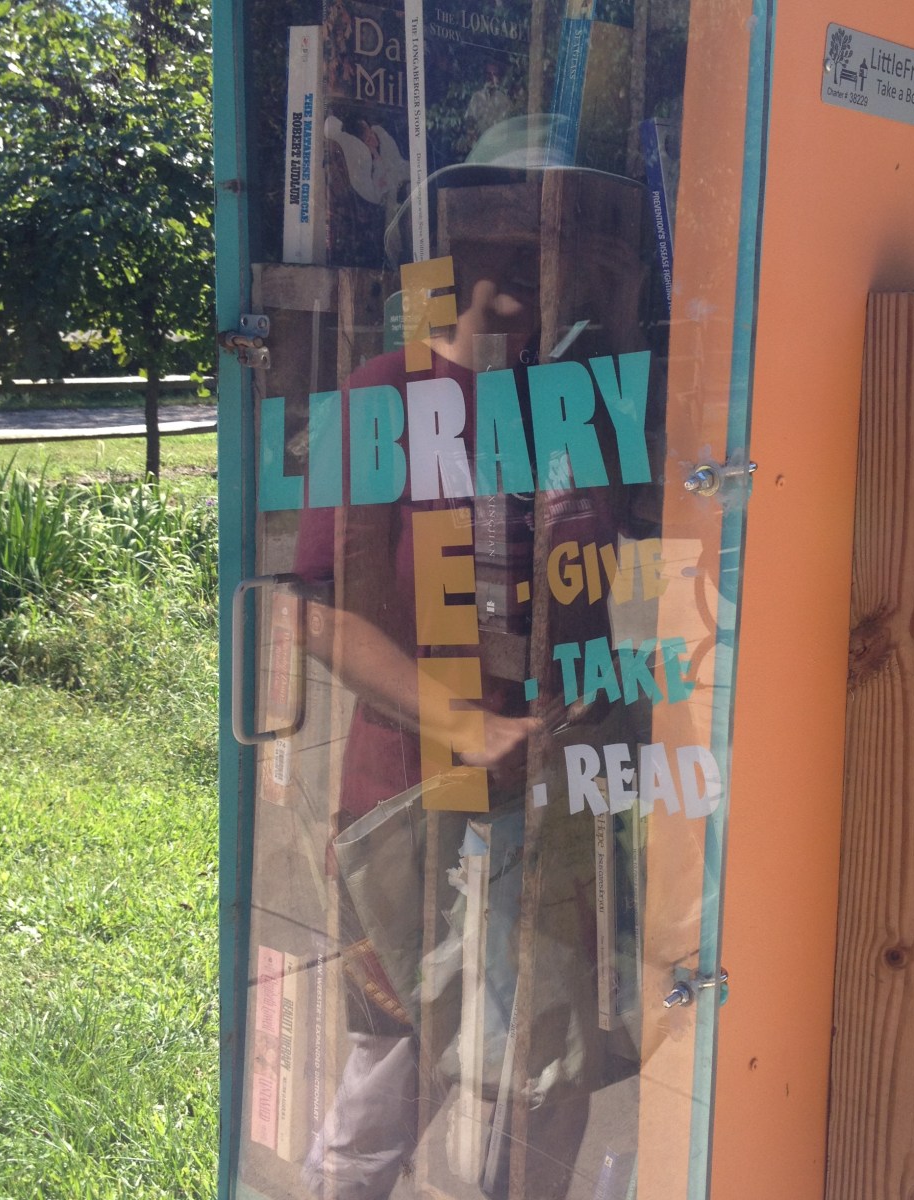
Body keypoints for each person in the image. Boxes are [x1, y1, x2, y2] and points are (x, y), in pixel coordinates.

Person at [294, 116, 657, 1199]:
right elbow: (322, 616)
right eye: (499, 242)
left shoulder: (576, 404)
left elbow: (634, 572)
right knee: (394, 1076)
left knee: (552, 1070)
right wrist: (465, 726)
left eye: (549, 247)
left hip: (560, 801)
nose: (523, 273)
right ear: (453, 252)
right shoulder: (382, 393)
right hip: (417, 797)